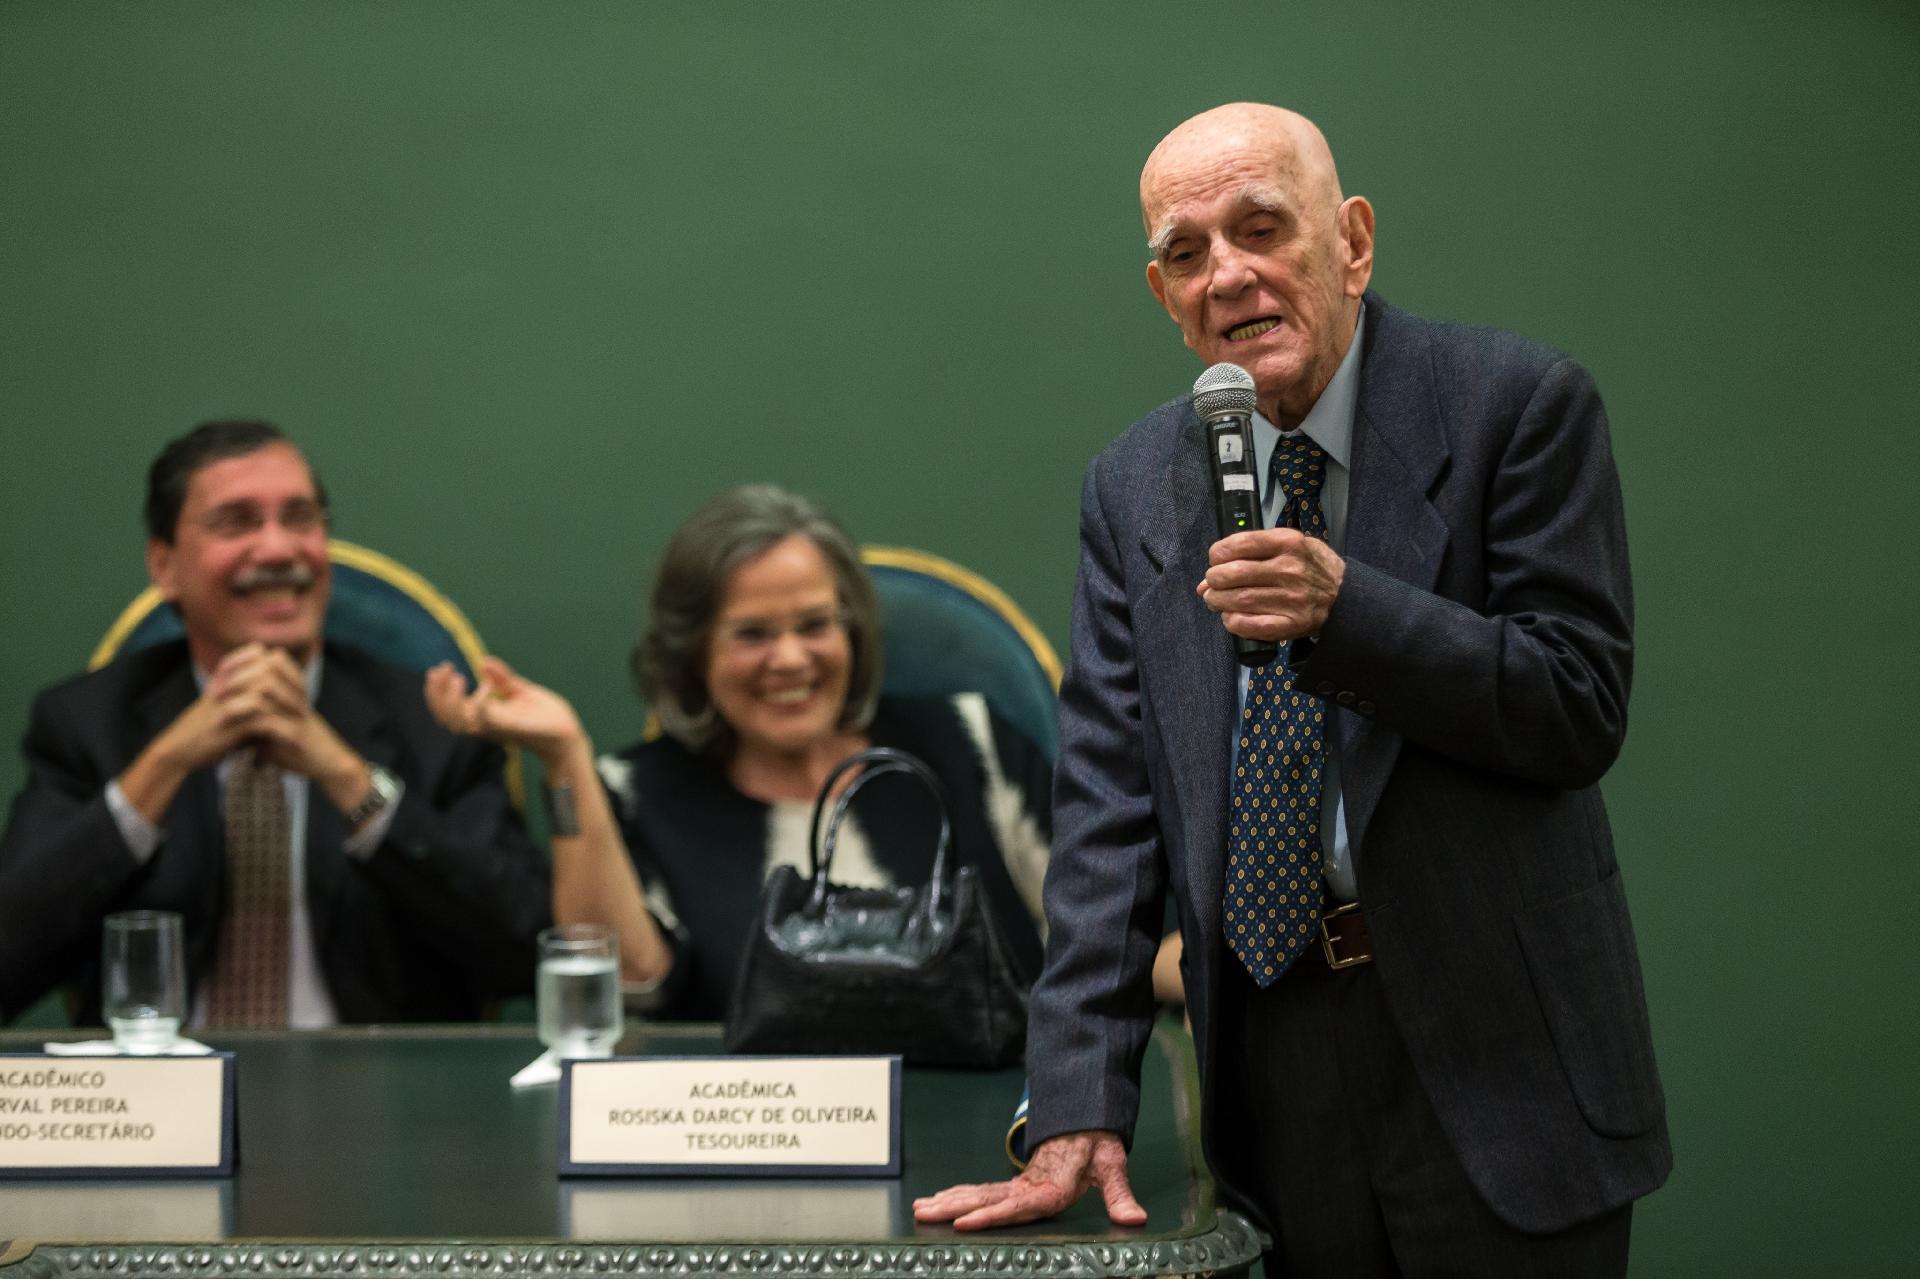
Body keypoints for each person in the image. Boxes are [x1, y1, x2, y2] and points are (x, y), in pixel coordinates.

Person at [914, 103, 1670, 1275]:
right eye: (1186, 252)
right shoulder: (1133, 488)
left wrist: (1347, 611)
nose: (1228, 273)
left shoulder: (1514, 406)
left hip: (1498, 1070)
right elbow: (1109, 814)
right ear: (1164, 296)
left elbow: (1576, 704)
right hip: (1271, 1068)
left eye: (1262, 227)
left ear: (1353, 241)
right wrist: (1077, 1102)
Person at [425, 484, 1051, 1019]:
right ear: (694, 653)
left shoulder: (971, 740)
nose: (789, 659)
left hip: (997, 1129)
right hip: (755, 1150)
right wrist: (564, 757)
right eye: (752, 634)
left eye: (813, 625)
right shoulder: (637, 793)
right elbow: (630, 984)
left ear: (851, 629)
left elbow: (1099, 946)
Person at [0, 421, 550, 1027]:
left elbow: (525, 955)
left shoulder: (432, 723)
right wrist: (162, 768)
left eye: (300, 519)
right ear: (166, 566)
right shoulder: (86, 723)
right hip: (160, 1100)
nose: (278, 550)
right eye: (236, 523)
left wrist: (349, 779)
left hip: (380, 1102)